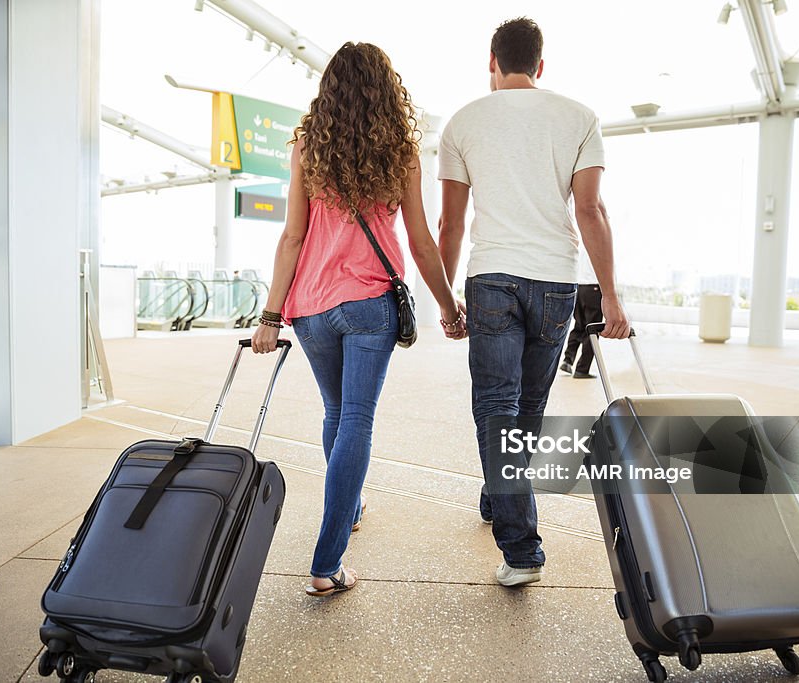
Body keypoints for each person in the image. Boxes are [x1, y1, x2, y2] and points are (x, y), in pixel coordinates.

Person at [251, 42, 465, 597]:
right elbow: (420, 242)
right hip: (370, 304)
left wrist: (271, 315)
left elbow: (292, 236)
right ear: (385, 91)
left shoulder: (307, 148)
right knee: (357, 421)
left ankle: (350, 506)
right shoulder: (399, 150)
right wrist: (446, 303)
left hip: (313, 307)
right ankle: (326, 564)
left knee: (337, 413)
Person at [437, 17, 630, 587]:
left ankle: (521, 551)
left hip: (491, 276)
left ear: (491, 62)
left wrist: (447, 301)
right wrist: (611, 298)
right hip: (555, 281)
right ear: (540, 65)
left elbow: (451, 222)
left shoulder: (464, 121)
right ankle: (502, 501)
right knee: (525, 412)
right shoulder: (578, 117)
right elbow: (590, 211)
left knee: (496, 410)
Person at [560, 248, 603, 379]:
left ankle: (568, 360)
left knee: (579, 326)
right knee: (592, 330)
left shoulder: (583, 245)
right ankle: (582, 369)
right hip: (594, 288)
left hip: (579, 287)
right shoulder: (600, 243)